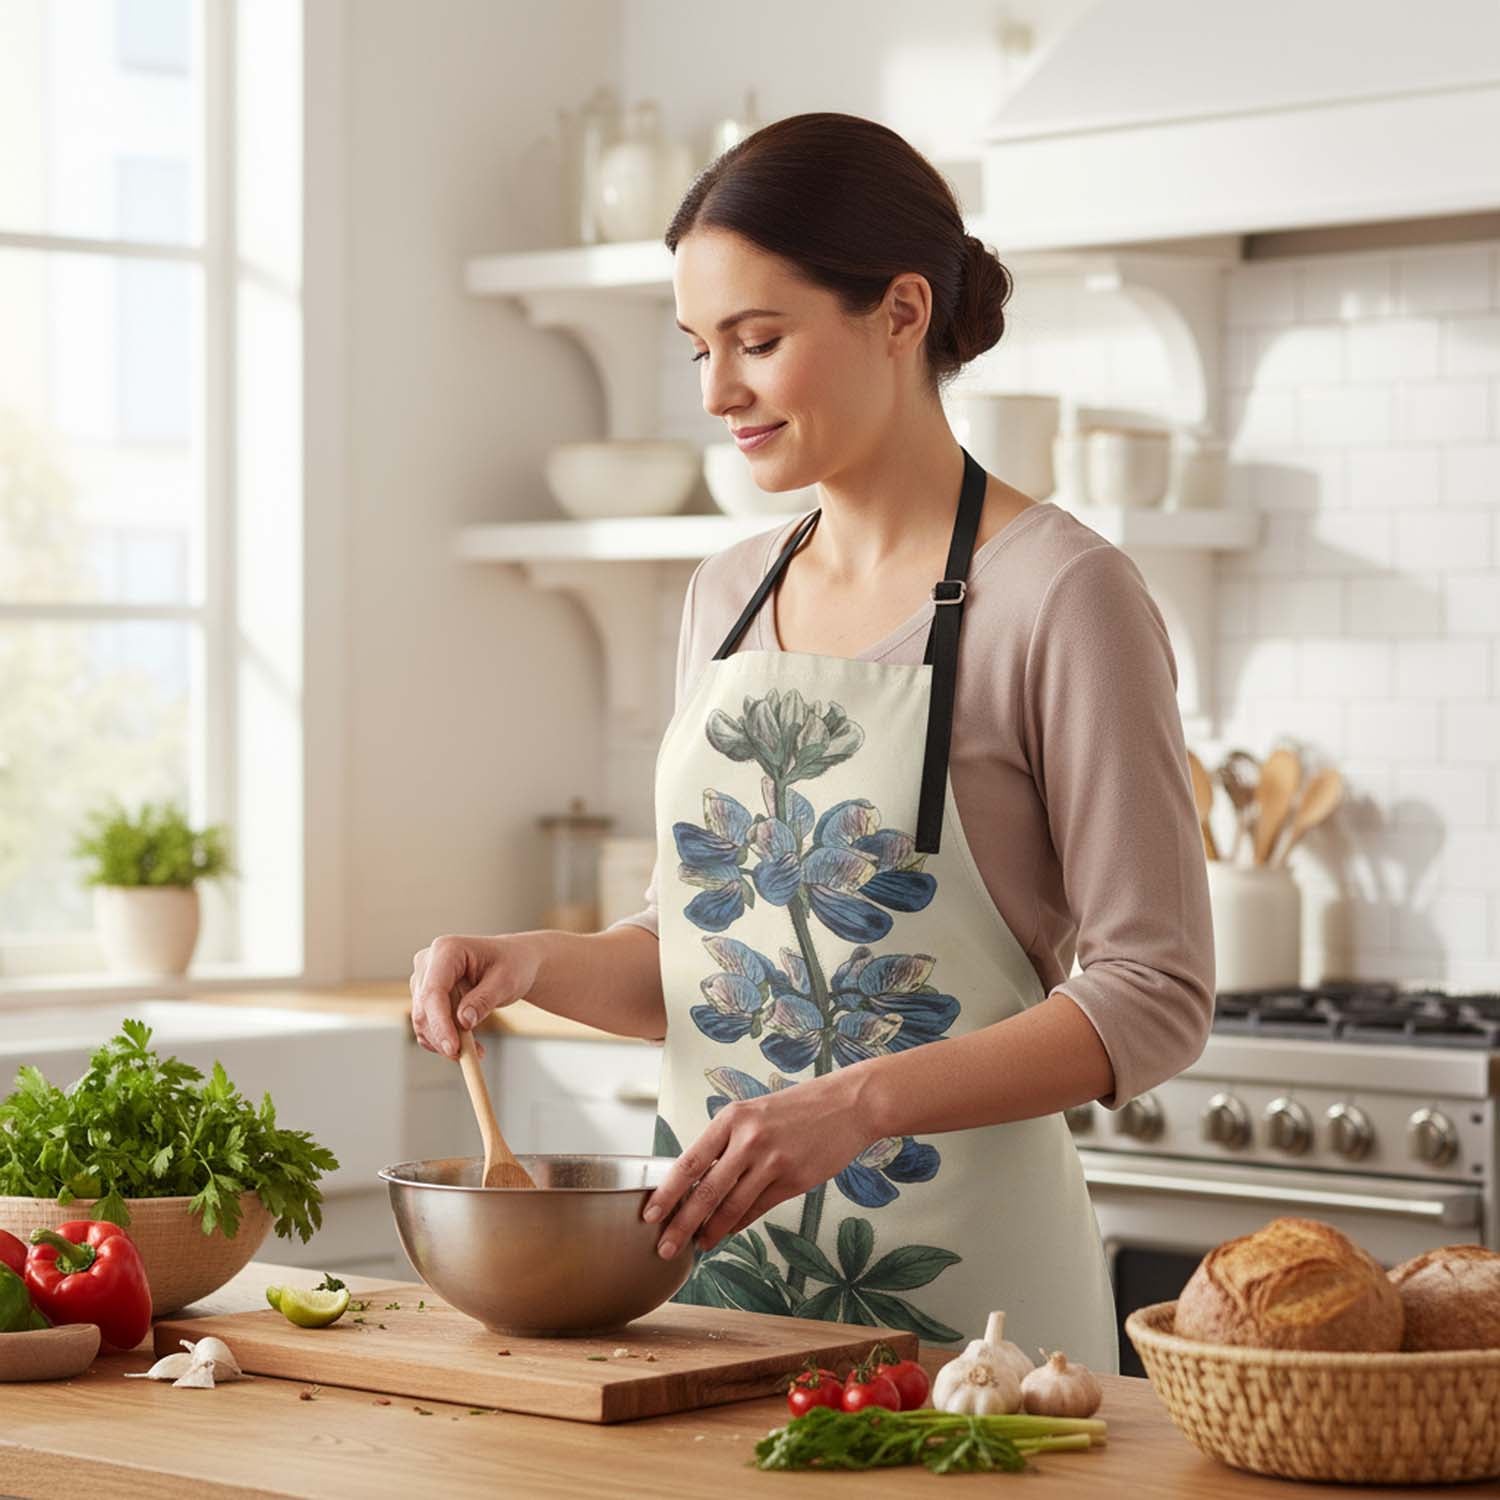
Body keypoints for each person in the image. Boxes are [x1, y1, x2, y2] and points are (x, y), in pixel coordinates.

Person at [410, 112, 1214, 1369]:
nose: (717, 392)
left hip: (978, 1341)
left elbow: (1155, 997)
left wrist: (859, 1104)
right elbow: (696, 955)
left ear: (900, 313)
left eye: (758, 341)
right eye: (697, 350)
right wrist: (532, 964)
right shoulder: (724, 591)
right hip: (709, 1313)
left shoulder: (1064, 595)